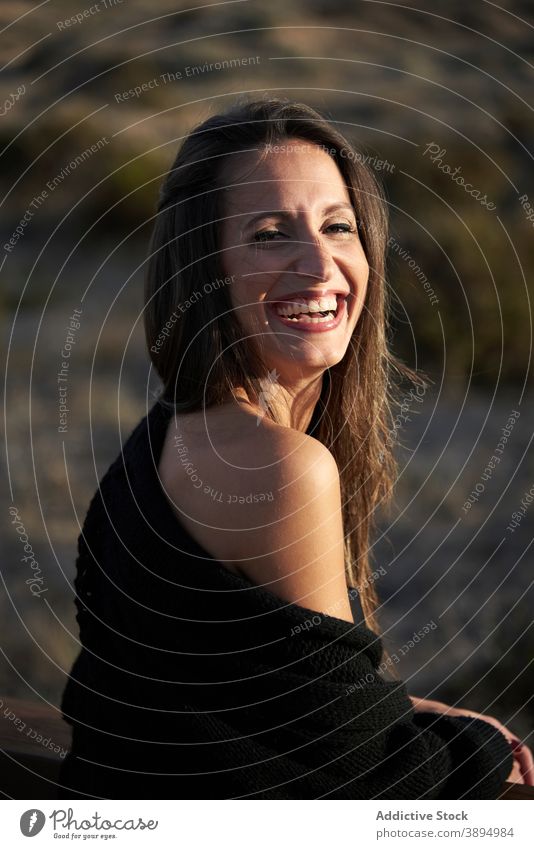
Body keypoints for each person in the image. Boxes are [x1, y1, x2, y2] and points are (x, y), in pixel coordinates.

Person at [58, 97, 532, 799]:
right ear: (204, 267)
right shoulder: (278, 467)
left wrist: (397, 711)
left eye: (339, 226)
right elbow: (366, 782)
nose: (320, 263)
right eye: (271, 234)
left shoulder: (176, 431)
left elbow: (257, 709)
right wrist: (486, 747)